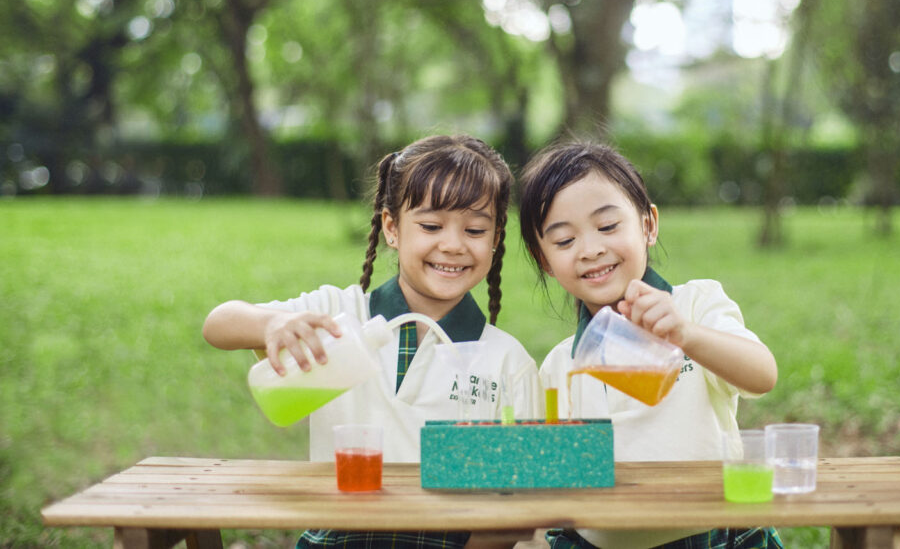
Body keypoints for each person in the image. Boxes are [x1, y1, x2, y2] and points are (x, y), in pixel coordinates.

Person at [204, 134, 538, 549]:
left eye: (474, 229)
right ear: (392, 228)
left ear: (495, 237)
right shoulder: (336, 315)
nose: (452, 245)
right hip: (336, 537)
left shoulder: (507, 362)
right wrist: (272, 324)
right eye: (431, 226)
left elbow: (516, 511)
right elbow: (218, 324)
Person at [518, 141, 782, 549]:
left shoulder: (696, 306)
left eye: (608, 226)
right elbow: (547, 476)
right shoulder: (560, 365)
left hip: (710, 536)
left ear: (648, 226)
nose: (591, 250)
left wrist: (686, 334)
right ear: (544, 260)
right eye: (565, 240)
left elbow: (762, 375)